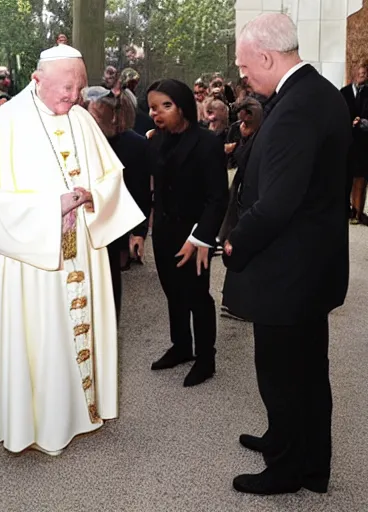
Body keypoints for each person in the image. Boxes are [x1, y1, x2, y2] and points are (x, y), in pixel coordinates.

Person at [0, 44, 144, 456]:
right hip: (33, 260)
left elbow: (111, 179)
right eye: (67, 88)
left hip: (80, 245)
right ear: (37, 78)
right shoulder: (6, 122)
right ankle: (41, 424)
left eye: (79, 88)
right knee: (40, 336)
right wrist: (51, 207)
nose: (74, 97)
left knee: (75, 331)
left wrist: (91, 196)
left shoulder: (82, 118)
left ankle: (82, 412)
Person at [222, 13, 351, 495]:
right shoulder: (317, 92)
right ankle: (305, 457)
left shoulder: (297, 107)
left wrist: (237, 241)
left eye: (244, 66)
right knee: (308, 371)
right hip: (310, 267)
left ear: (267, 57)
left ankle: (287, 469)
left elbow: (277, 202)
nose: (243, 75)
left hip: (289, 272)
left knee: (284, 375)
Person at [146, 79, 228, 387]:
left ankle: (206, 358)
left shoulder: (207, 142)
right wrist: (142, 231)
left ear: (182, 107)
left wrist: (202, 236)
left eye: (165, 106)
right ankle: (181, 347)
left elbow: (218, 197)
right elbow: (150, 191)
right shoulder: (154, 141)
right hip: (164, 232)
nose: (157, 113)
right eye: (153, 107)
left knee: (197, 296)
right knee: (172, 292)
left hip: (195, 236)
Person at [81, 86, 151, 321]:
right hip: (80, 232)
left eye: (95, 117)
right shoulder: (74, 146)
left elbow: (140, 192)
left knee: (109, 296)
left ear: (113, 115)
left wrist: (138, 233)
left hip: (111, 230)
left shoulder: (135, 145)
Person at [340, 62, 368, 224]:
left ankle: (358, 212)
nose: (362, 76)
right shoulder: (343, 92)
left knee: (360, 179)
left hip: (364, 143)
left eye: (364, 73)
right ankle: (346, 209)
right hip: (348, 141)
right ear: (353, 74)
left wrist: (363, 121)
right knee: (346, 178)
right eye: (360, 73)